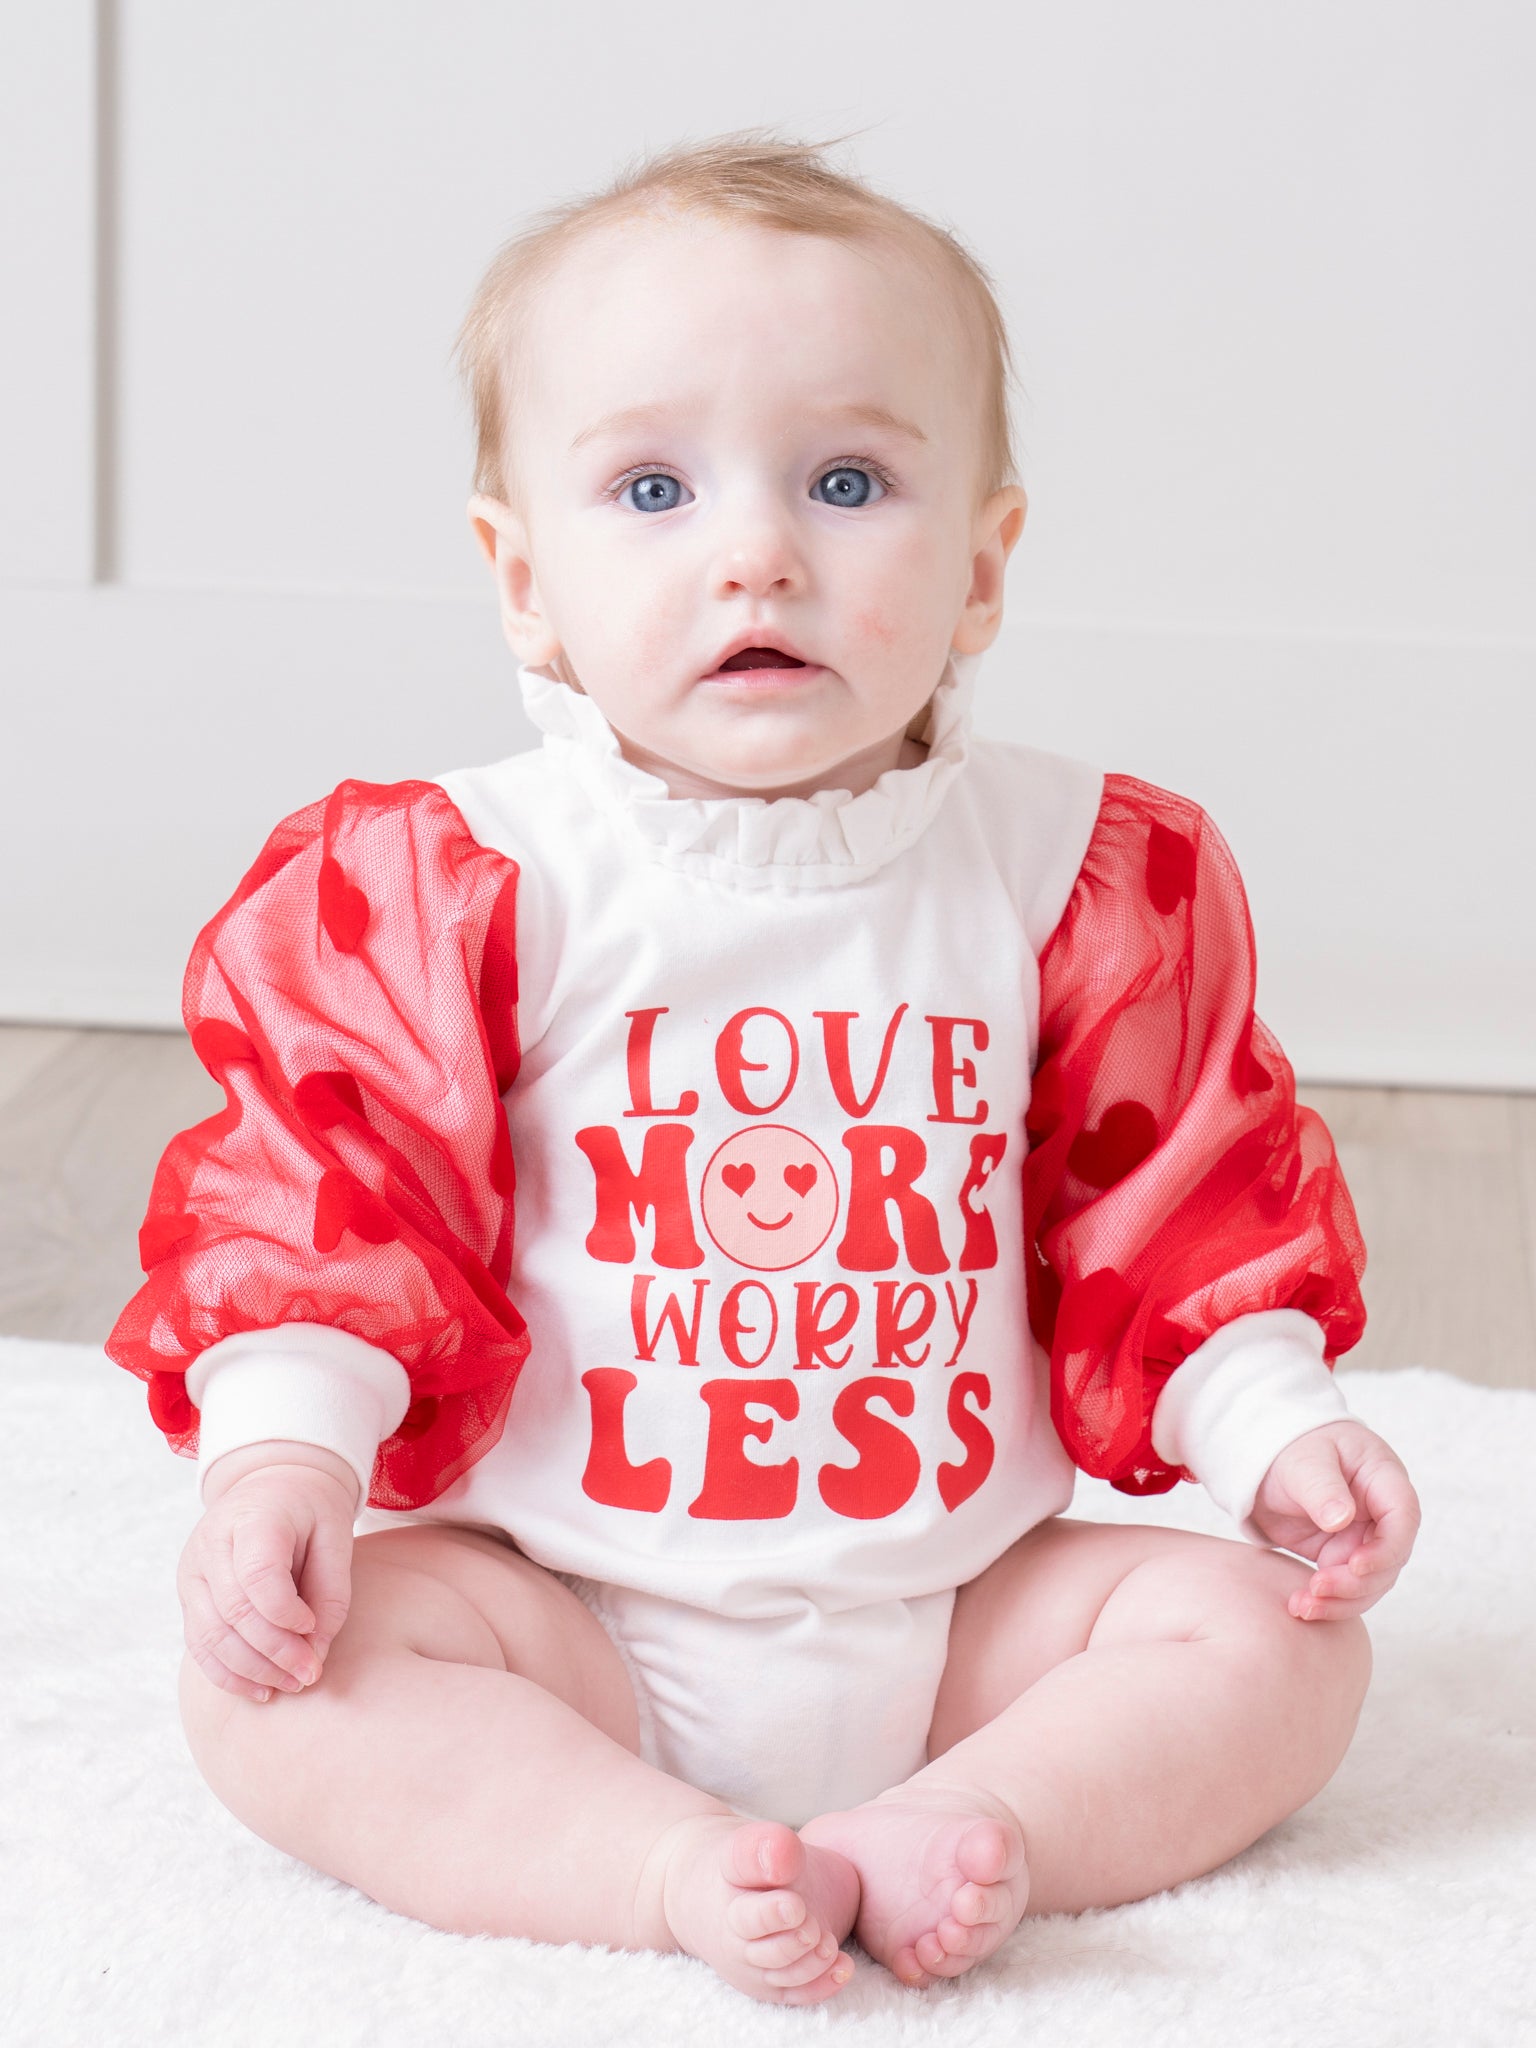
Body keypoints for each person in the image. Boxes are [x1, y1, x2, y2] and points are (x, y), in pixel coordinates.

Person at [106, 131, 1420, 2006]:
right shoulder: (469, 879)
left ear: (982, 568)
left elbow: (1172, 1197)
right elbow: (335, 1193)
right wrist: (285, 1458)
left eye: (848, 481)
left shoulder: (1068, 872)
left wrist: (1274, 1422)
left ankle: (979, 1815)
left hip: (962, 1614)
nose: (758, 554)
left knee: (1278, 1642)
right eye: (651, 488)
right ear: (523, 577)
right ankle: (649, 1861)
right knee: (284, 1691)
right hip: (563, 1605)